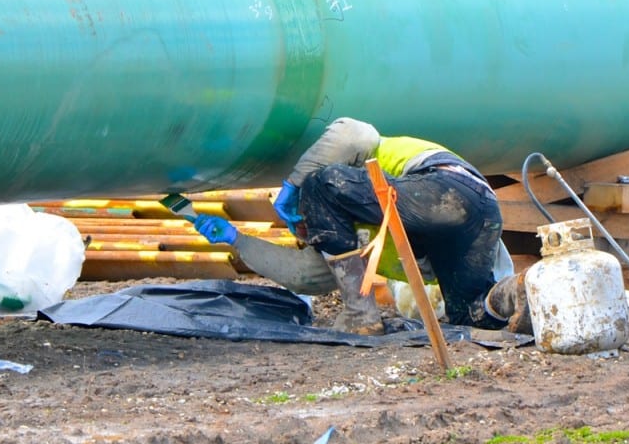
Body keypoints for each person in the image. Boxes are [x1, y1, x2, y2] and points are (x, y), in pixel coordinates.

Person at [193, 117, 530, 336]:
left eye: (303, 221)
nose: (304, 228)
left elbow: (354, 132)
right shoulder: (344, 250)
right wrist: (237, 240)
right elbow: (304, 276)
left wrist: (296, 185)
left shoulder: (351, 168)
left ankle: (360, 316)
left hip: (445, 186)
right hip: (478, 217)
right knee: (471, 319)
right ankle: (524, 288)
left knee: (320, 183)